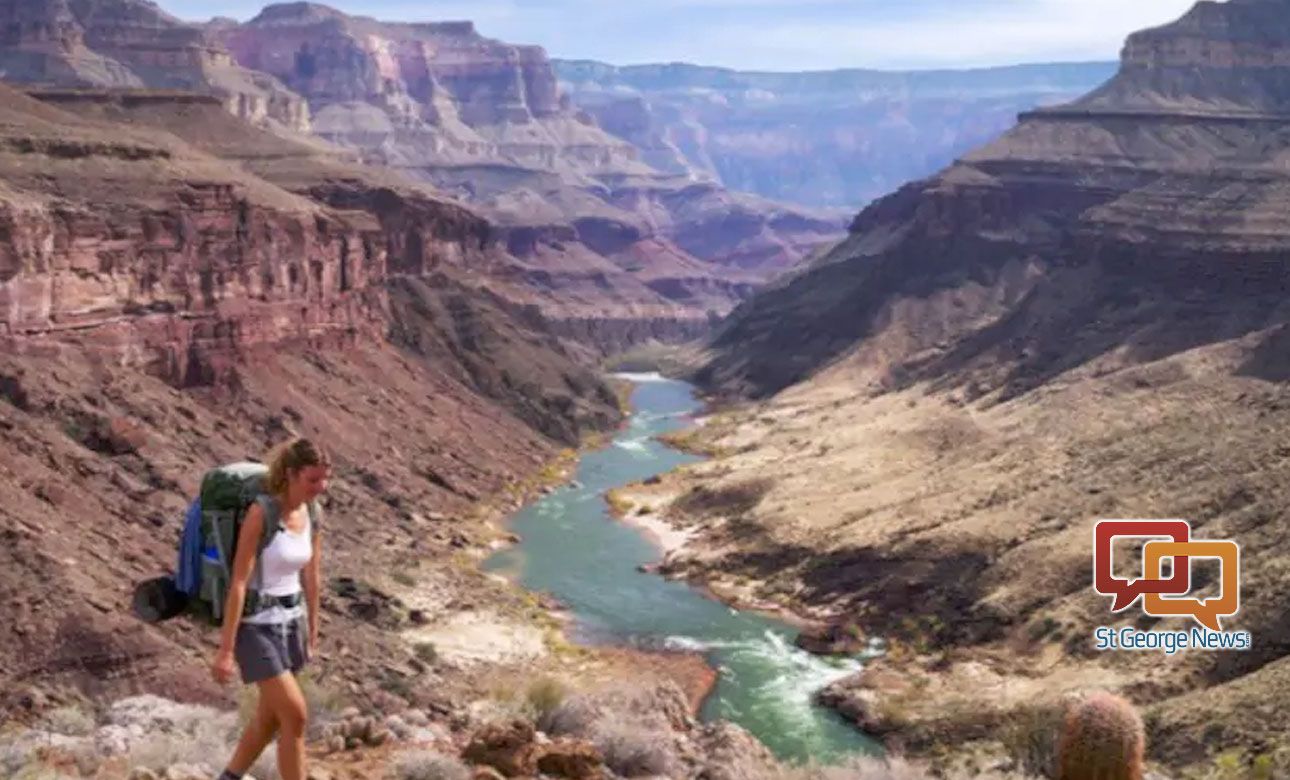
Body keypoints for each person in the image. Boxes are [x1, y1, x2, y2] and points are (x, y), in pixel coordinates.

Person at [211, 437, 331, 780]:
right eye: (313, 480)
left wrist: (313, 628)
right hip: (256, 626)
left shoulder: (313, 514)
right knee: (295, 716)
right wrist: (226, 650)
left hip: (292, 624)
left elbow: (312, 576)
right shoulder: (261, 513)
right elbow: (238, 581)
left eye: (325, 479)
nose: (320, 487)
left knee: (269, 719)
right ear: (291, 474)